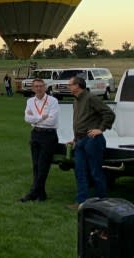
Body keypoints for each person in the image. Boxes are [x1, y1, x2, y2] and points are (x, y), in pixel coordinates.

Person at [68, 75, 115, 208]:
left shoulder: (91, 98)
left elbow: (109, 114)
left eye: (70, 84)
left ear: (78, 86)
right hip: (80, 140)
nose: (69, 87)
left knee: (95, 171)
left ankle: (102, 202)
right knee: (80, 171)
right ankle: (81, 202)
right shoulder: (75, 101)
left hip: (92, 140)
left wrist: (100, 129)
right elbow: (80, 122)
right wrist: (75, 139)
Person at [20, 78, 59, 202]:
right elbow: (27, 118)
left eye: (41, 86)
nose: (38, 88)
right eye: (36, 86)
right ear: (32, 88)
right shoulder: (30, 101)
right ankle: (41, 194)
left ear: (45, 87)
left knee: (43, 165)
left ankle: (33, 192)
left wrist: (34, 118)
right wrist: (42, 117)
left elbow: (52, 120)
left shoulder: (53, 101)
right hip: (35, 133)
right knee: (36, 165)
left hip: (48, 135)